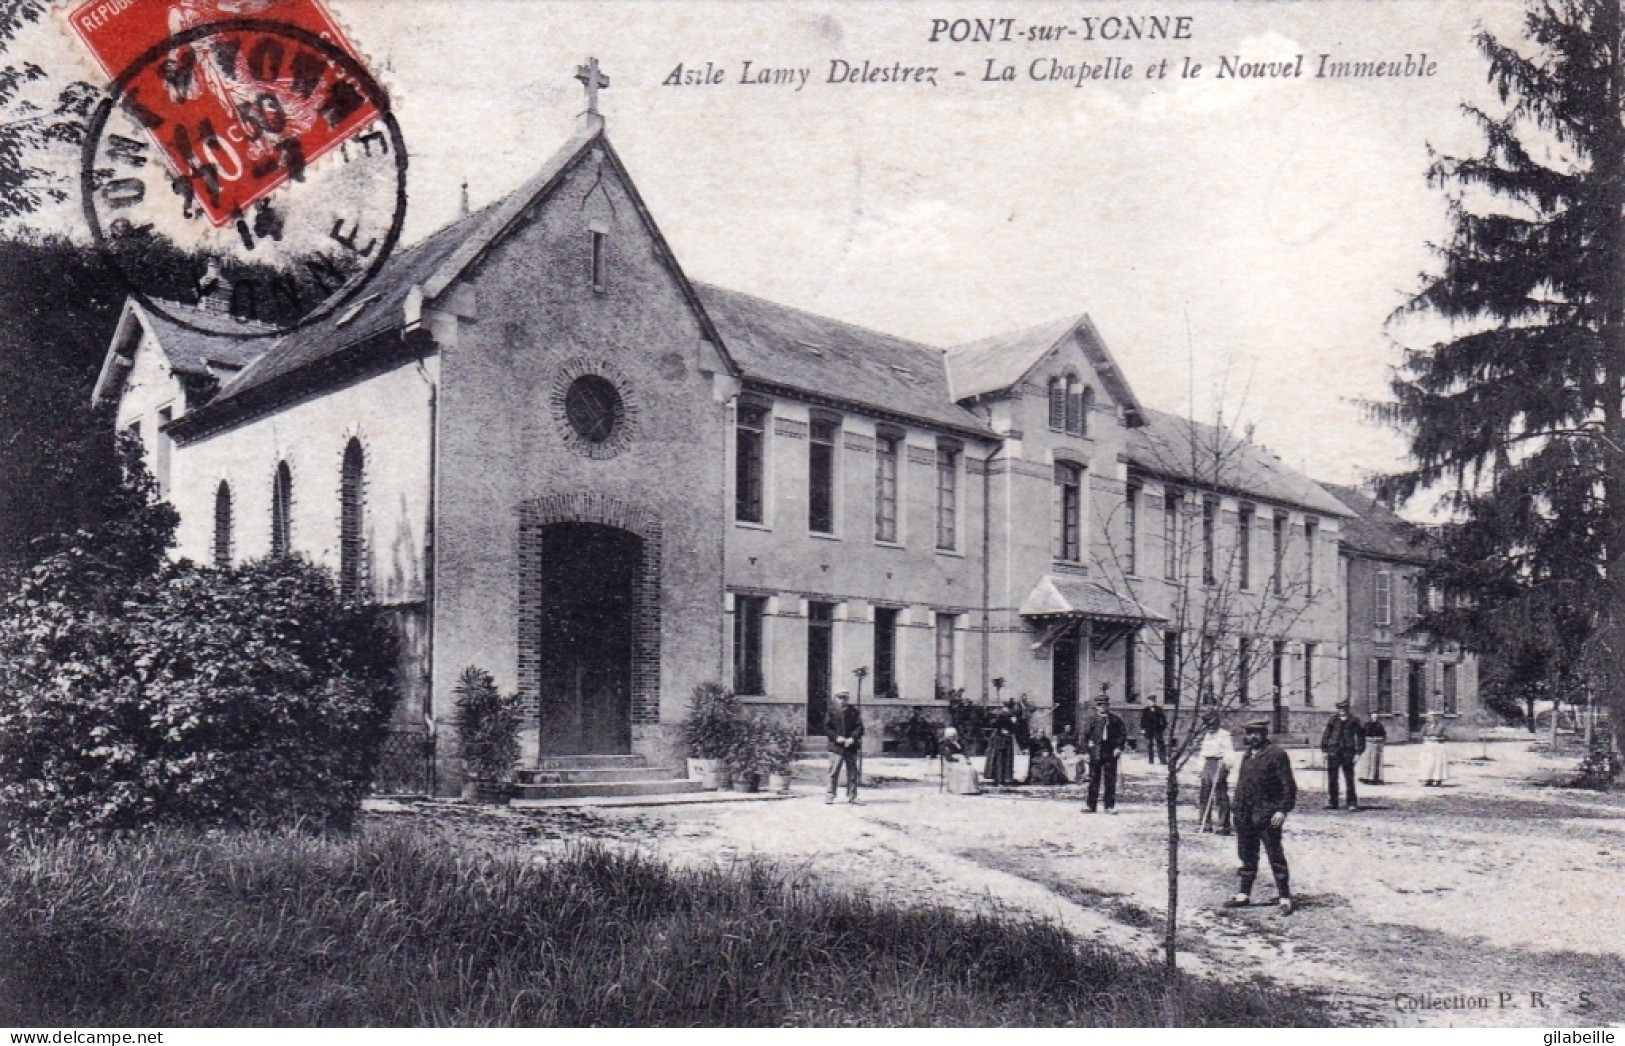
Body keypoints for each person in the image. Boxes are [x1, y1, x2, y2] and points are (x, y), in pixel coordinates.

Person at [1226, 720, 1298, 915]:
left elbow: (1288, 786)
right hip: (1246, 816)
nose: (1250, 737)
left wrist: (1282, 810)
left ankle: (1284, 896)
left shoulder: (1276, 755)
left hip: (1267, 816)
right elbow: (1242, 786)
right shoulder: (1247, 756)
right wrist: (1236, 810)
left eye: (1255, 733)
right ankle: (1244, 894)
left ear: (1264, 734)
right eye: (1248, 733)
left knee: (1275, 856)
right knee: (1247, 855)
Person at [1080, 690, 1127, 813]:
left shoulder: (1115, 720)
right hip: (1095, 752)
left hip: (1110, 752)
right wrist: (1085, 752)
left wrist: (1119, 748)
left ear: (1108, 706)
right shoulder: (1091, 720)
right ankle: (1091, 805)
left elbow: (1122, 735)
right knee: (1093, 779)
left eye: (1105, 704)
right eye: (1100, 705)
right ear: (1096, 706)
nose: (1102, 707)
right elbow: (1084, 736)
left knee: (1110, 779)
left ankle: (1109, 806)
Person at [1319, 699, 1366, 810]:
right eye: (1340, 708)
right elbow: (1326, 735)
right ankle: (1333, 802)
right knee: (1332, 778)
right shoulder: (1333, 720)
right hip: (1333, 752)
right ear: (1338, 709)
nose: (1342, 711)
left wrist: (1358, 753)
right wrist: (1324, 750)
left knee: (1349, 779)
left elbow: (1360, 737)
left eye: (1344, 708)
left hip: (1348, 753)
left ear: (1347, 709)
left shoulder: (1354, 720)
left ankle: (1352, 803)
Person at [825, 689, 864, 804]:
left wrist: (852, 738)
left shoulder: (854, 712)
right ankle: (830, 795)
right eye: (840, 698)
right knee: (833, 771)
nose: (842, 701)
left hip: (851, 746)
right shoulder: (831, 711)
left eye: (845, 698)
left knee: (852, 772)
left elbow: (860, 727)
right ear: (835, 698)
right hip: (836, 747)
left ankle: (852, 796)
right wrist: (836, 737)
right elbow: (827, 728)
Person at [1197, 716, 1234, 834]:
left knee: (1220, 796)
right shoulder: (1206, 735)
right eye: (1208, 724)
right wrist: (1200, 768)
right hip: (1207, 763)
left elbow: (1229, 751)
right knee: (1204, 795)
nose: (1210, 727)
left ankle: (1223, 825)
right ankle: (1205, 823)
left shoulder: (1224, 735)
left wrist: (1226, 767)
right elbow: (1202, 752)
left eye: (1212, 724)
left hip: (1219, 763)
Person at [984, 698, 1019, 786]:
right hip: (999, 738)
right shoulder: (1001, 714)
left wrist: (1013, 724)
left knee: (1006, 759)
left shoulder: (1011, 715)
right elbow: (994, 724)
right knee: (999, 759)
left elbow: (1014, 728)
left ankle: (1005, 779)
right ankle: (999, 779)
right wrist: (1004, 728)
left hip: (1006, 738)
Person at [1420, 707, 1450, 786]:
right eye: (1430, 717)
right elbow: (1422, 735)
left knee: (1437, 763)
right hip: (1428, 746)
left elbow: (1445, 736)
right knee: (1428, 763)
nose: (1432, 718)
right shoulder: (1426, 726)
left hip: (1438, 746)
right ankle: (1428, 779)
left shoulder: (1441, 726)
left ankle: (1438, 779)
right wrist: (1426, 738)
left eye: (1433, 717)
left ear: (1437, 718)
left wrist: (1438, 738)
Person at [1358, 713, 1387, 784]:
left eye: (1376, 717)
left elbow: (1384, 735)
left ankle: (1376, 778)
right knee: (1367, 761)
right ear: (1371, 717)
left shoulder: (1380, 725)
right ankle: (1366, 777)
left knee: (1377, 761)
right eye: (1373, 717)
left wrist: (1380, 739)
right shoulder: (1367, 725)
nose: (1375, 718)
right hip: (1369, 744)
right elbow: (1362, 734)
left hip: (1378, 744)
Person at [1140, 699, 1169, 765]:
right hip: (1148, 730)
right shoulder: (1146, 710)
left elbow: (1163, 719)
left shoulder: (1159, 709)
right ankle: (1151, 760)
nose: (1150, 703)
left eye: (1151, 701)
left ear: (1154, 702)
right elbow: (1143, 720)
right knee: (1149, 745)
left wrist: (1163, 728)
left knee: (1160, 745)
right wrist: (1142, 729)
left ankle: (1163, 760)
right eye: (1149, 702)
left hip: (1157, 729)